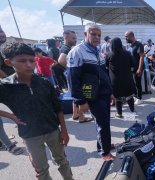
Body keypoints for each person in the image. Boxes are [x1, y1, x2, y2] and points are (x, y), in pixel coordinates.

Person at [0, 42, 73, 180]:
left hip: (52, 130)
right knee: (41, 169)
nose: (28, 65)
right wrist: (11, 116)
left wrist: (63, 130)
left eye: (32, 60)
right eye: (22, 61)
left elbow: (58, 108)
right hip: (30, 135)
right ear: (9, 62)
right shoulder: (5, 87)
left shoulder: (44, 82)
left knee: (62, 160)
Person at [67, 23, 114, 161]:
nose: (96, 37)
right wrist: (81, 101)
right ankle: (105, 153)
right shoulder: (77, 52)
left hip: (103, 94)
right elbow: (72, 79)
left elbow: (103, 74)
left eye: (99, 35)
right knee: (103, 124)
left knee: (104, 123)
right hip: (93, 96)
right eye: (93, 34)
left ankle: (103, 145)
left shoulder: (97, 51)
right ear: (85, 34)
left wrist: (110, 92)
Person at [58, 30, 92, 123]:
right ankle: (81, 116)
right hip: (72, 76)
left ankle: (75, 114)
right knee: (80, 94)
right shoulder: (66, 48)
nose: (75, 40)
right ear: (65, 38)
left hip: (70, 76)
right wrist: (71, 70)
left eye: (75, 38)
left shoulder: (66, 47)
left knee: (75, 95)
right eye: (73, 38)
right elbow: (61, 60)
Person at [0, 25, 23, 155]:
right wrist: (10, 81)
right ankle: (9, 145)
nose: (1, 34)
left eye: (2, 31)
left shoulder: (3, 49)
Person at [107, 37, 136, 118]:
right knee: (129, 96)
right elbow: (133, 65)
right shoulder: (127, 53)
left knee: (118, 97)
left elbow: (106, 66)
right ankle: (132, 110)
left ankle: (119, 113)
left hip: (115, 80)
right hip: (127, 79)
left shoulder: (109, 55)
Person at [125, 31, 144, 105]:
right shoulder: (130, 46)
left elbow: (141, 57)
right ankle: (135, 96)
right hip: (131, 69)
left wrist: (139, 69)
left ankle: (139, 98)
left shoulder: (139, 45)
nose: (125, 38)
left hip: (137, 68)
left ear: (132, 36)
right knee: (133, 84)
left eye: (126, 36)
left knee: (137, 83)